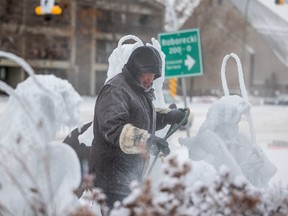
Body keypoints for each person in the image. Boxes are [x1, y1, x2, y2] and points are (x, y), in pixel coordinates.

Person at [89, 46, 187, 210]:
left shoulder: (137, 89)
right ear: (135, 70)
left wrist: (168, 116)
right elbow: (114, 129)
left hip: (128, 176)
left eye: (154, 75)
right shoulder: (116, 90)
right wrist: (147, 141)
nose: (150, 80)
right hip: (112, 179)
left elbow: (140, 116)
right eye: (146, 74)